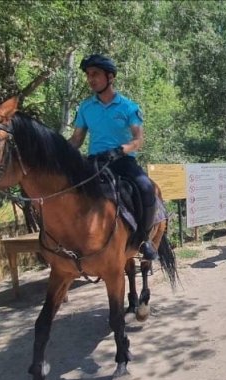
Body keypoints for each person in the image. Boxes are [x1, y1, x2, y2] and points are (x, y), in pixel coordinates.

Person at [68, 54, 159, 260]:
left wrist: (120, 150)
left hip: (123, 161)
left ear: (110, 77)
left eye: (95, 74)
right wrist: (58, 152)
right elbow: (77, 139)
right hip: (94, 162)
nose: (91, 79)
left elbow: (138, 139)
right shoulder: (85, 107)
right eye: (88, 75)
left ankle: (144, 239)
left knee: (146, 187)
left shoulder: (128, 107)